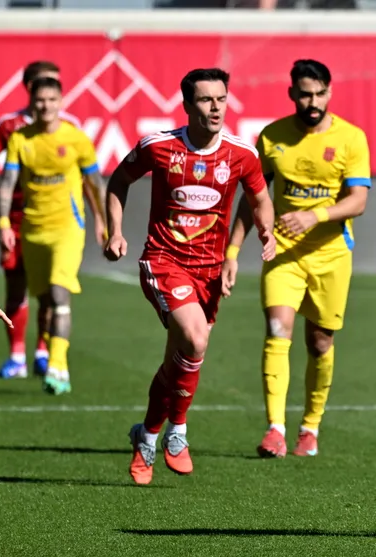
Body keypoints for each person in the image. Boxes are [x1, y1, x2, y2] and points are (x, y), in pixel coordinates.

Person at [104, 67, 276, 486]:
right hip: (163, 261)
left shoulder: (241, 153)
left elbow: (260, 199)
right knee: (196, 340)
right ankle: (177, 431)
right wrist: (115, 231)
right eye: (205, 100)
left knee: (177, 361)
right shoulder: (159, 147)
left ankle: (146, 436)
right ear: (186, 105)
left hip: (209, 272)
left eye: (221, 99)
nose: (215, 108)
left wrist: (266, 232)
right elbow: (119, 180)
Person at [225, 59, 371, 459]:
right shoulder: (272, 137)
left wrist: (314, 215)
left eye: (320, 94)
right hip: (283, 252)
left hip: (331, 255)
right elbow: (251, 199)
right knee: (278, 330)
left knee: (320, 341)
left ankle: (310, 427)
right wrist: (232, 251)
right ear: (292, 93)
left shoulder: (351, 138)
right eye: (305, 94)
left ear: (330, 93)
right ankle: (275, 429)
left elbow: (358, 201)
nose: (313, 102)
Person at [0, 77, 106, 396]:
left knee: (59, 294)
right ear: (31, 102)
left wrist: (104, 222)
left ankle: (58, 365)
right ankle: (44, 355)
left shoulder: (76, 139)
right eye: (40, 100)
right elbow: (7, 184)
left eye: (51, 99)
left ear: (61, 101)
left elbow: (96, 184)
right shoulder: (20, 138)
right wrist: (4, 223)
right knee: (44, 300)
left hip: (68, 228)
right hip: (32, 230)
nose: (45, 106)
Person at [0, 61, 83, 380]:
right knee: (15, 284)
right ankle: (16, 357)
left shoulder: (70, 127)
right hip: (17, 217)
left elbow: (86, 173)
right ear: (29, 88)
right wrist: (3, 220)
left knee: (50, 290)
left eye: (55, 86)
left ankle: (43, 352)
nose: (49, 93)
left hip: (55, 220)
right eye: (43, 85)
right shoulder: (10, 126)